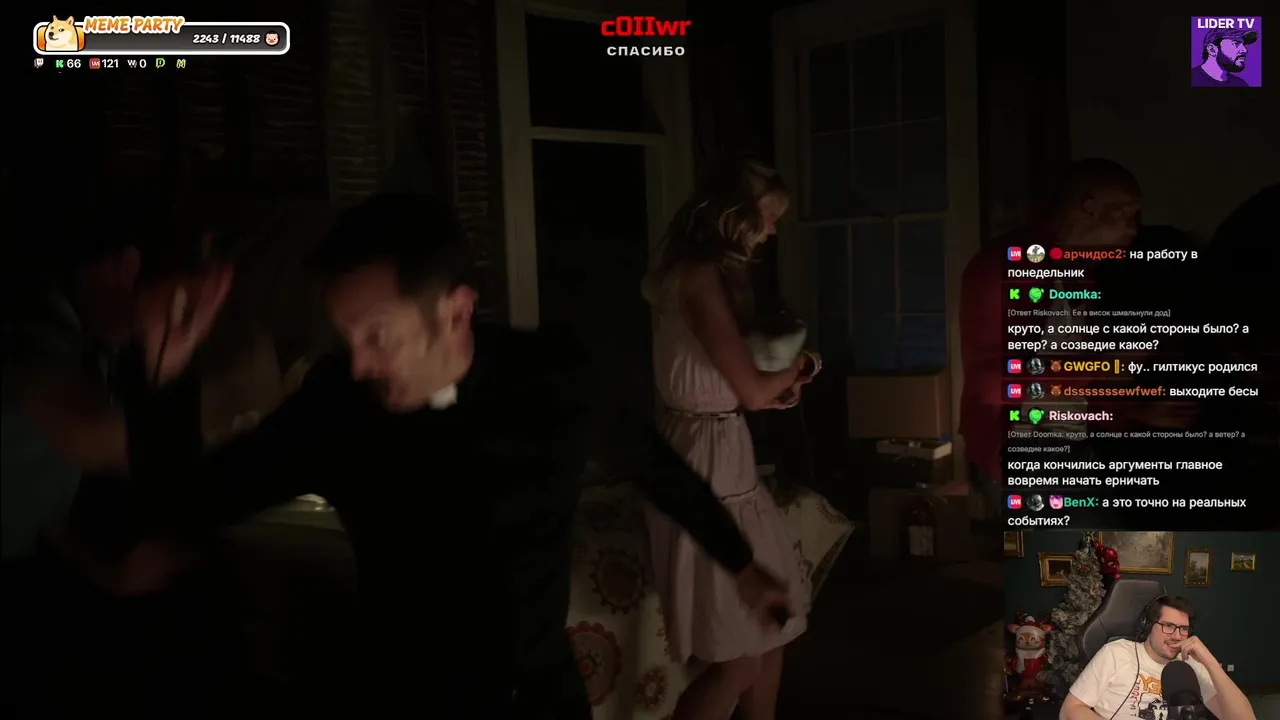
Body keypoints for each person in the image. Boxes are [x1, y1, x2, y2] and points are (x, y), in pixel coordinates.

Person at [30, 193, 789, 716]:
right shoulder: (338, 407)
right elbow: (188, 503)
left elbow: (653, 464)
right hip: (405, 700)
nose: (360, 361)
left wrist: (741, 563)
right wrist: (161, 380)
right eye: (347, 338)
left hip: (541, 696)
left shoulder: (552, 378)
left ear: (454, 312)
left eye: (378, 335)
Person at [640, 157, 814, 720]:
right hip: (702, 459)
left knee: (773, 633)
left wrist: (774, 387)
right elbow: (753, 391)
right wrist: (800, 368)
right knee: (737, 660)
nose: (772, 229)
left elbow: (738, 383)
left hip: (723, 444)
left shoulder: (708, 275)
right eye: (767, 215)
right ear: (733, 213)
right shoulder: (696, 277)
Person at [959, 159, 1187, 503]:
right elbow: (993, 382)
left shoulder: (1080, 273)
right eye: (1126, 213)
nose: (1133, 229)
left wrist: (1131, 406)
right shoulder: (1006, 264)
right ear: (1089, 207)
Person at [1061, 596, 1257, 720]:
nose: (1177, 636)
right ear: (1148, 627)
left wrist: (1210, 663)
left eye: (1183, 629)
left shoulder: (1191, 665)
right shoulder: (1116, 653)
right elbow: (1070, 710)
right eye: (1168, 626)